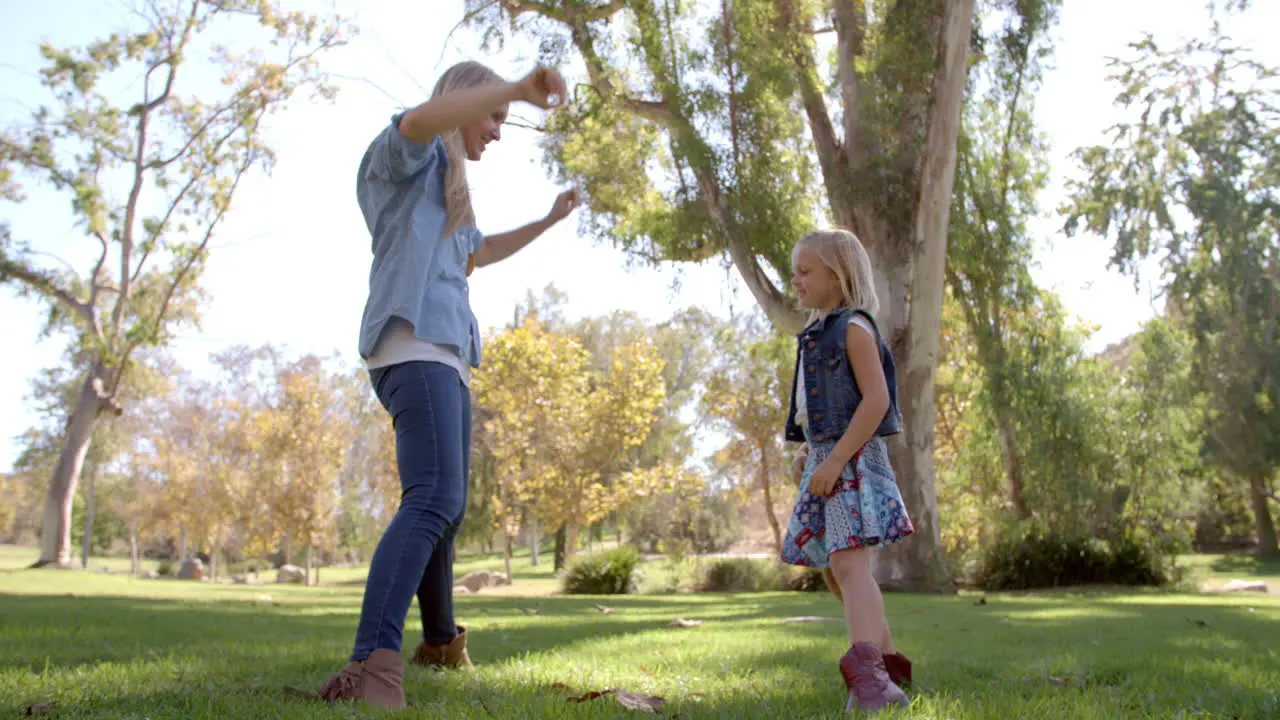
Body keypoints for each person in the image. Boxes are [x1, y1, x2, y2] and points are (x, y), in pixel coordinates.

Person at [318, 61, 580, 709]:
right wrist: (517, 88)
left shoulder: (452, 191)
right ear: (464, 102)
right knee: (434, 497)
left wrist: (547, 221)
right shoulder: (405, 162)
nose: (497, 131)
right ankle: (368, 663)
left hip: (447, 355)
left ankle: (438, 642)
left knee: (445, 506)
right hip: (414, 346)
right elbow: (415, 121)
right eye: (493, 116)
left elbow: (478, 253)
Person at [779, 228, 916, 713]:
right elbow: (813, 404)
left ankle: (872, 683)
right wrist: (811, 451)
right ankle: (890, 661)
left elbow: (876, 400)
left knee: (847, 565)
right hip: (827, 456)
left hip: (853, 458)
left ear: (837, 277)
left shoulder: (854, 327)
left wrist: (836, 458)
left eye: (804, 271)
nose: (795, 280)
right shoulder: (814, 335)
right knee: (835, 572)